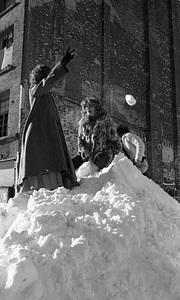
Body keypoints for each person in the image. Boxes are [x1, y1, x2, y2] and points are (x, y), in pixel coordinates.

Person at [18, 47, 79, 193]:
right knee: (44, 164)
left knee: (53, 162)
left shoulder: (44, 94)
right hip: (39, 135)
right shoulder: (36, 91)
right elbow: (48, 82)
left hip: (45, 134)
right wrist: (62, 64)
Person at [72, 97, 121, 171]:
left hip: (103, 156)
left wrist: (110, 155)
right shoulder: (83, 123)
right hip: (87, 156)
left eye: (91, 106)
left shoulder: (106, 123)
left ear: (97, 108)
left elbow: (114, 141)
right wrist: (85, 151)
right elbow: (81, 140)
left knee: (96, 169)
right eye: (86, 106)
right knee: (70, 165)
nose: (88, 108)